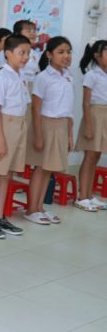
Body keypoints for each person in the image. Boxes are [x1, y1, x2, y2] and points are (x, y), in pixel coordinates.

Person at [0, 34, 31, 239]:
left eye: (28, 53)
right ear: (8, 53)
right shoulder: (0, 77)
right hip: (2, 126)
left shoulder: (20, 76)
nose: (25, 57)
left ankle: (0, 216)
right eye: (21, 53)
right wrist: (0, 140)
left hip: (17, 125)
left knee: (6, 174)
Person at [25, 37, 72, 224]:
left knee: (48, 169)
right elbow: (35, 108)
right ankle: (31, 209)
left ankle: (40, 207)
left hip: (61, 125)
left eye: (68, 52)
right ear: (49, 55)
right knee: (40, 167)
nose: (66, 56)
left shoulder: (68, 76)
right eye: (61, 52)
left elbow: (68, 108)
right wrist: (38, 135)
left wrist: (69, 134)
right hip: (45, 124)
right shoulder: (43, 77)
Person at [75, 40, 107, 211]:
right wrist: (88, 126)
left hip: (105, 115)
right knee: (89, 157)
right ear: (97, 55)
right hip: (94, 116)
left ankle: (89, 195)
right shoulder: (92, 75)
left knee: (96, 156)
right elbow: (86, 103)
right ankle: (82, 196)